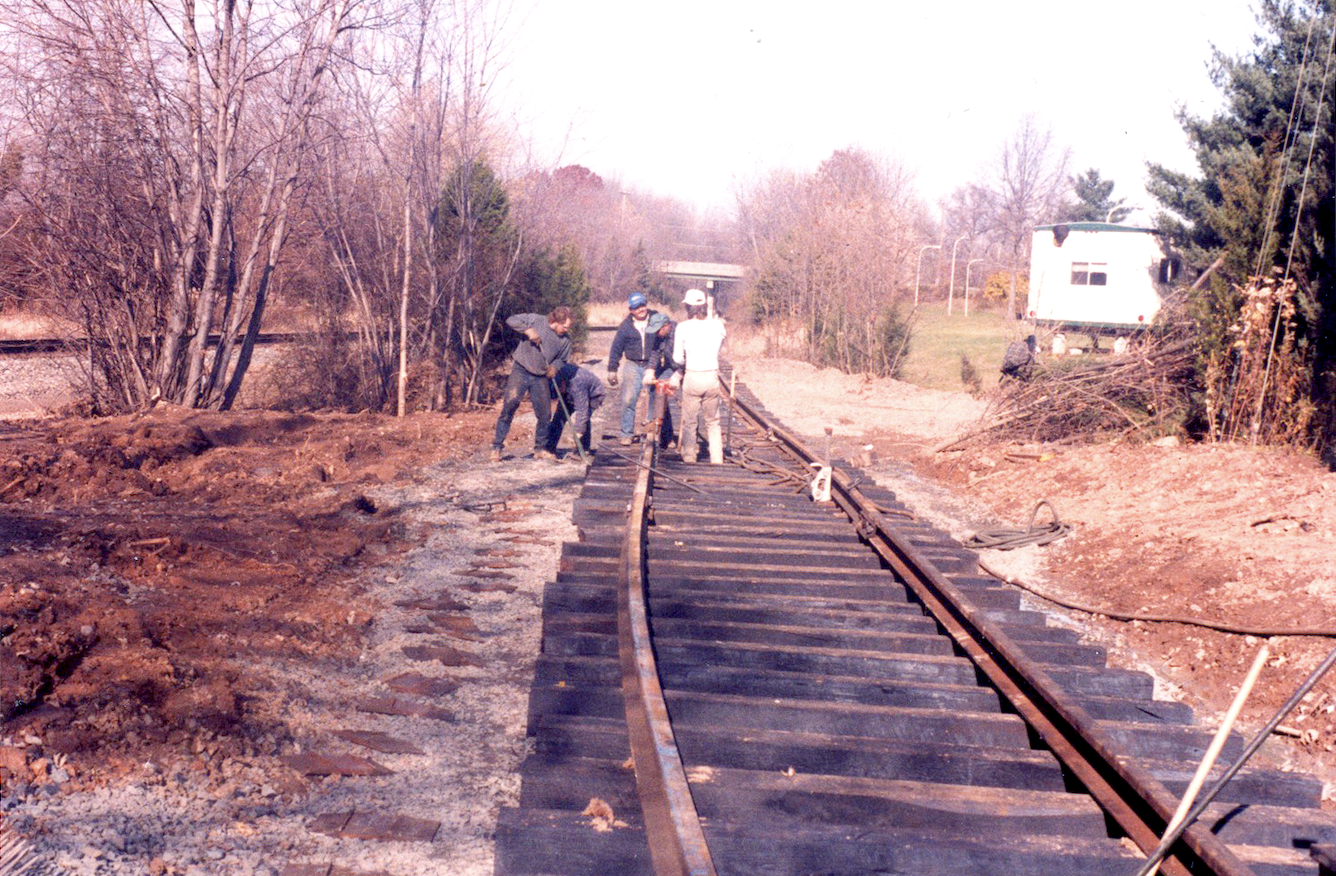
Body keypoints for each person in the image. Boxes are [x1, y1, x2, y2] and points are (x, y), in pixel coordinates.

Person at [491, 306, 573, 462]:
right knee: (510, 406)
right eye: (564, 326)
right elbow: (511, 320)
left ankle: (540, 449)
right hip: (521, 370)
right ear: (555, 321)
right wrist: (527, 330)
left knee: (545, 415)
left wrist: (555, 367)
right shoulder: (536, 320)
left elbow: (562, 359)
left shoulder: (565, 340)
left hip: (541, 377)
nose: (566, 330)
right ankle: (497, 447)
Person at [671, 288, 726, 464]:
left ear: (688, 307)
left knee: (690, 422)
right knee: (713, 422)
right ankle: (717, 459)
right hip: (711, 376)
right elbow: (720, 347)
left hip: (693, 376)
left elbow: (677, 358)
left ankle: (689, 456)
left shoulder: (682, 327)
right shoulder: (718, 325)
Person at [607, 292, 665, 445]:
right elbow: (616, 348)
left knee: (655, 398)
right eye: (637, 307)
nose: (641, 309)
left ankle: (652, 432)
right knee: (628, 400)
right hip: (633, 365)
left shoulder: (656, 318)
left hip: (653, 364)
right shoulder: (625, 326)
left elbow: (667, 336)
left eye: (642, 305)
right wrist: (612, 369)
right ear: (631, 310)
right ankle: (626, 433)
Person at [545, 363, 606, 458]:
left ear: (563, 383)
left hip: (594, 394)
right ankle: (550, 448)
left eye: (560, 389)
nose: (559, 392)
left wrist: (577, 434)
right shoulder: (557, 375)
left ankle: (582, 450)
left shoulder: (577, 384)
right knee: (559, 417)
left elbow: (582, 412)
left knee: (584, 419)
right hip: (569, 391)